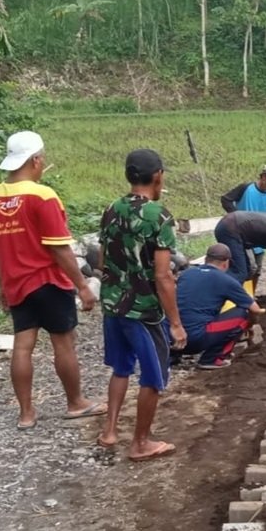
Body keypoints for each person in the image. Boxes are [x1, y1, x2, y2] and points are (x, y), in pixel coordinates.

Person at [0, 130, 102, 431]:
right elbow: (59, 247)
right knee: (64, 343)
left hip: (16, 283)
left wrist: (2, 285)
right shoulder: (42, 195)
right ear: (36, 160)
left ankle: (26, 413)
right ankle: (76, 403)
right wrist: (83, 285)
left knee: (23, 346)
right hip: (48, 280)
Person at [97, 149, 186, 462]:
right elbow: (163, 277)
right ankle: (140, 443)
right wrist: (175, 322)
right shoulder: (158, 216)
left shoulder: (111, 209)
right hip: (143, 311)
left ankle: (109, 431)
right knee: (153, 376)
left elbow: (104, 259)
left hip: (113, 305)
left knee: (121, 368)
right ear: (158, 175)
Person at [172, 243, 265, 370]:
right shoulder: (226, 280)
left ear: (205, 259)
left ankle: (173, 355)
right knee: (243, 314)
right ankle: (212, 358)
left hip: (173, 337)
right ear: (226, 263)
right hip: (195, 341)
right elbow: (255, 309)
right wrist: (249, 325)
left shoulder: (186, 275)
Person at [220, 164, 266, 289]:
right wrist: (235, 215)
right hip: (243, 236)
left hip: (260, 238)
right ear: (264, 177)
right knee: (245, 269)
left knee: (256, 270)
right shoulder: (246, 188)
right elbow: (226, 199)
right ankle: (237, 293)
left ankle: (251, 296)